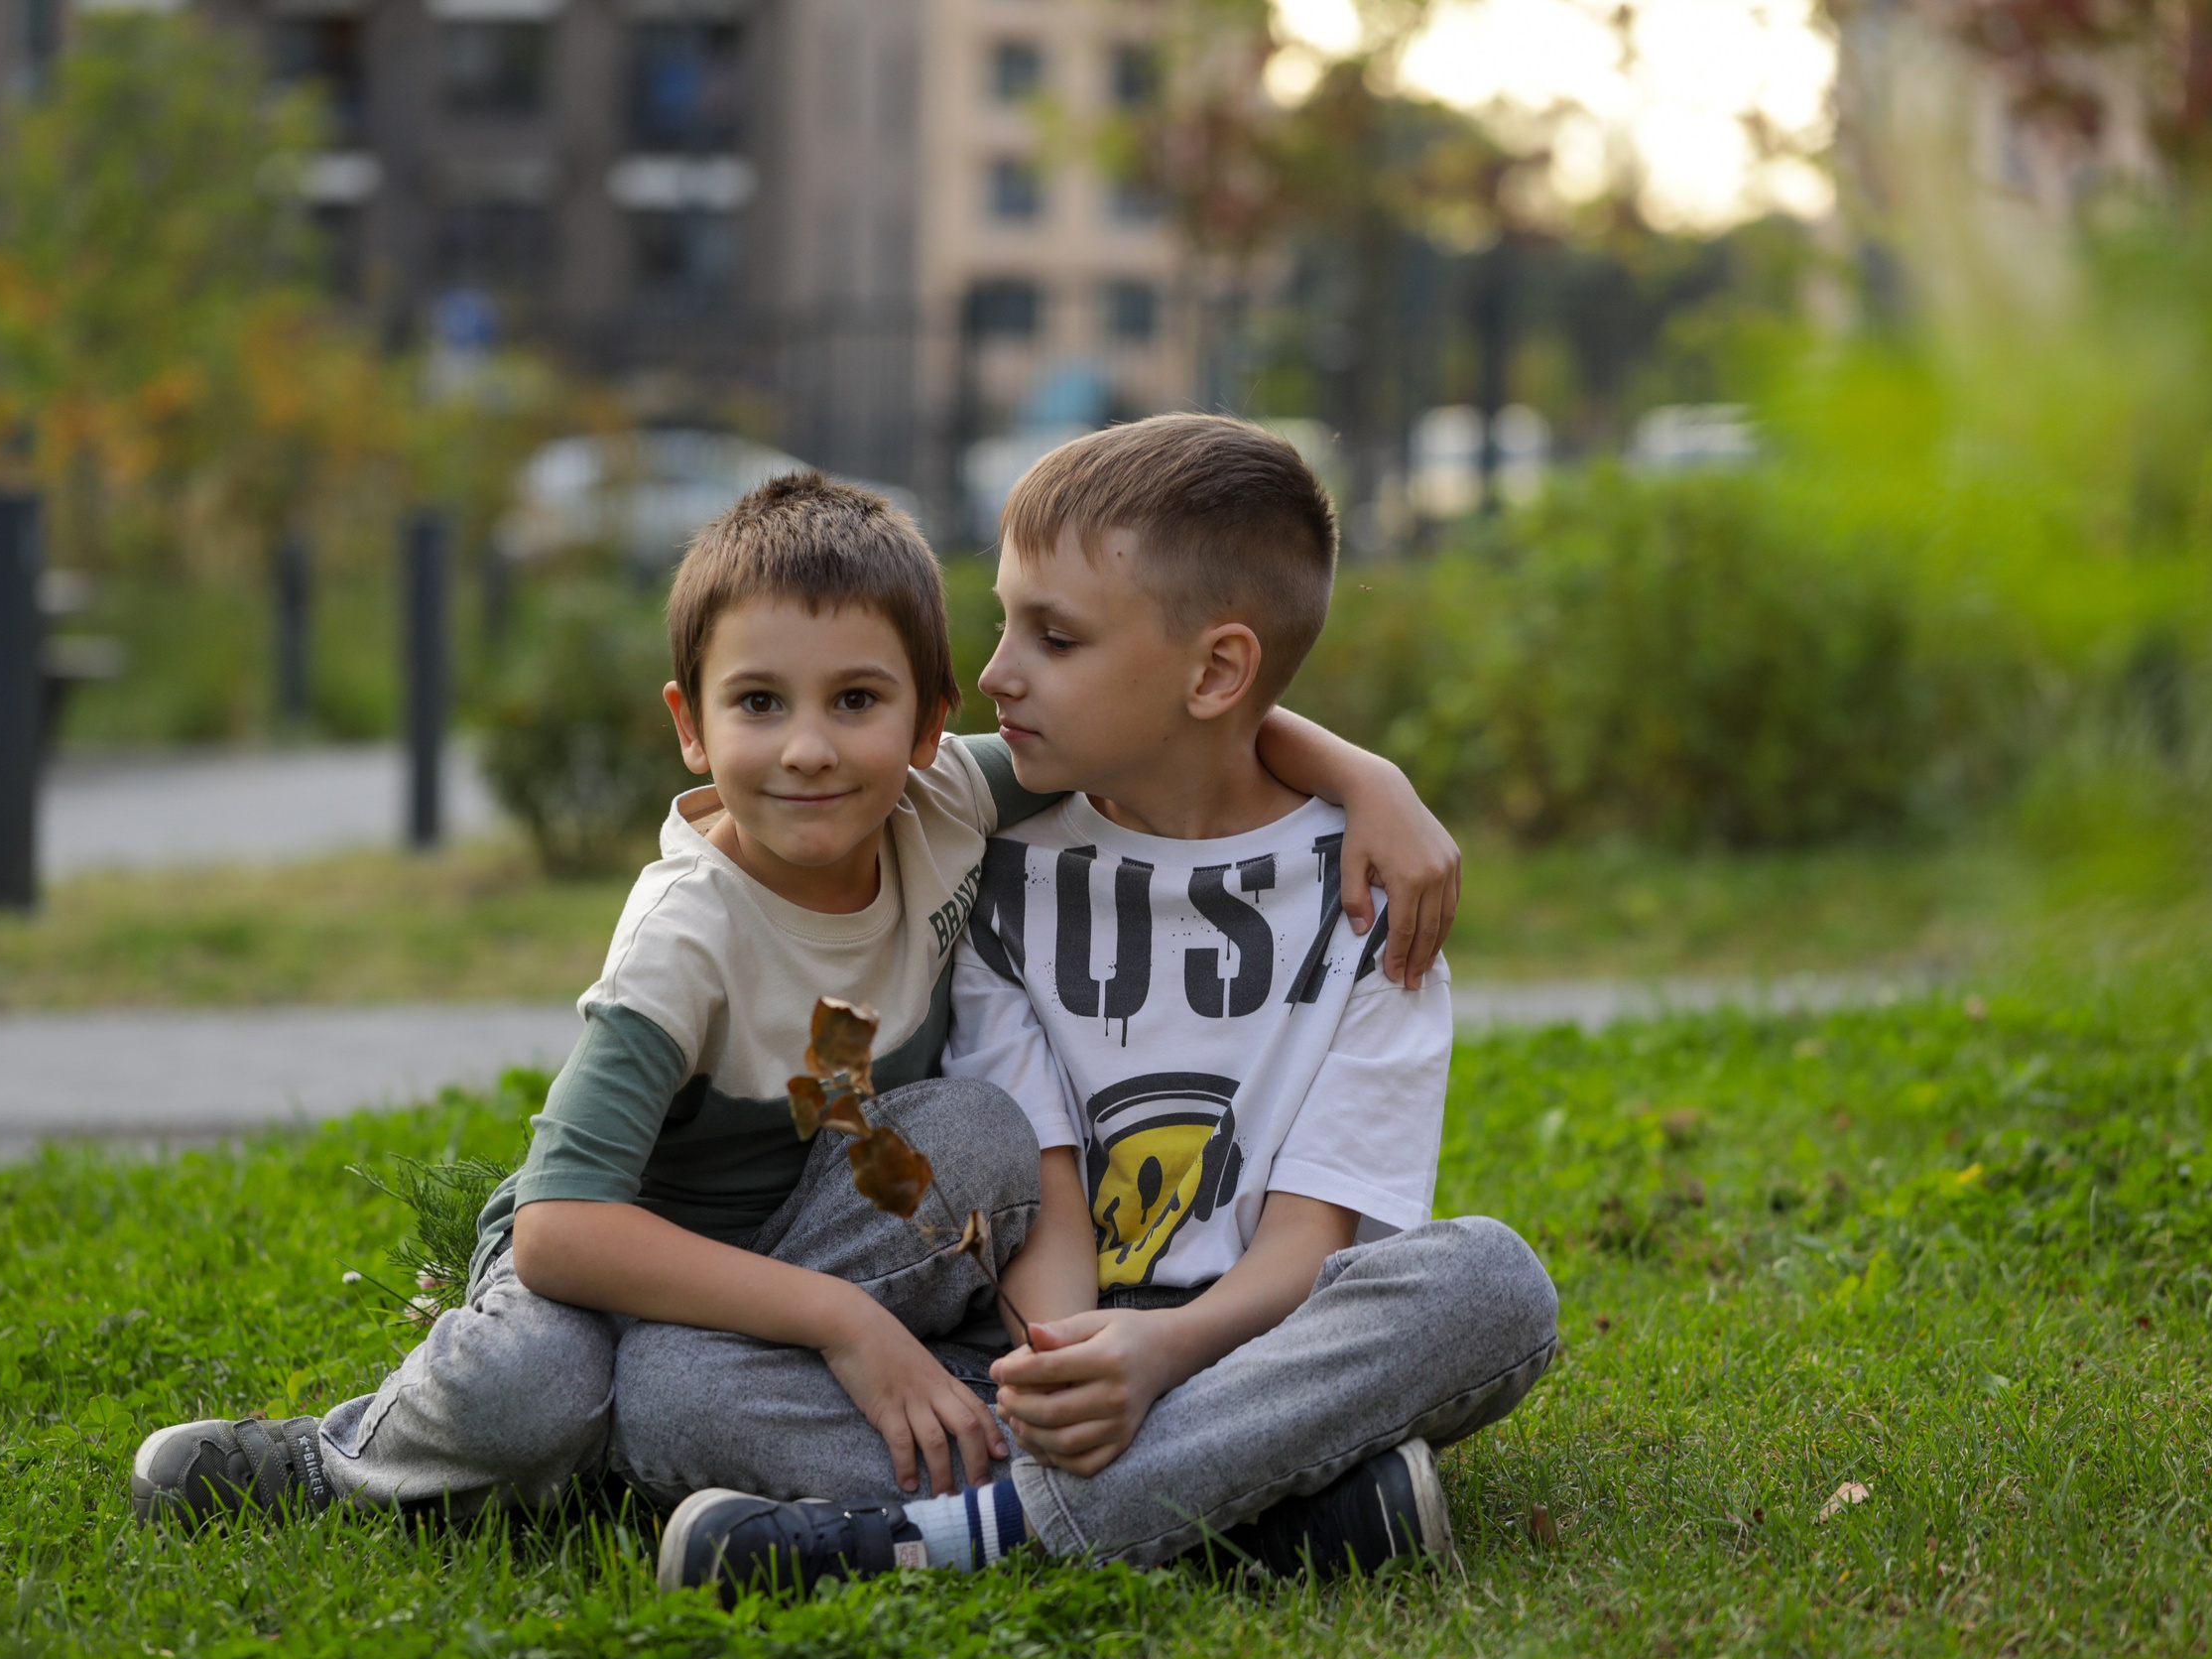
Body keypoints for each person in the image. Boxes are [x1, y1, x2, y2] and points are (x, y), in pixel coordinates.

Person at [129, 469, 1457, 1527]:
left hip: (827, 1222)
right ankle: (346, 1451)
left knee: (975, 1132)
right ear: (691, 725)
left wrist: (1370, 780)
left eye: (857, 700)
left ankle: (855, 1455)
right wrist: (843, 1320)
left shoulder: (942, 802)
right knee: (547, 1380)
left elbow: (1186, 716)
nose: (812, 746)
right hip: (623, 1267)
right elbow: (559, 1231)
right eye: (758, 702)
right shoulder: (685, 933)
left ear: (929, 724)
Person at [656, 416, 1560, 1595]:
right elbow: (1044, 1184)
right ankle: (1285, 1515)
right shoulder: (986, 854)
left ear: (1215, 671)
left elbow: (1310, 1242)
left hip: (1265, 1347)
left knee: (1489, 1286)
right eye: (1002, 619)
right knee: (671, 1386)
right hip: (1030, 1356)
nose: (994, 674)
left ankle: (957, 1541)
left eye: (1055, 636)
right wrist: (1073, 1366)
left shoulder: (1370, 900)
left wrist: (1164, 1354)